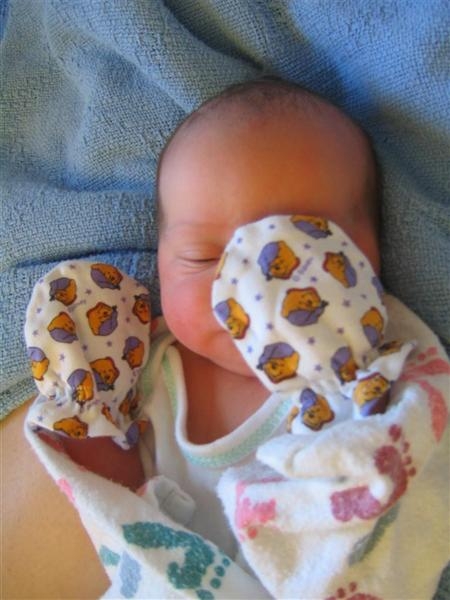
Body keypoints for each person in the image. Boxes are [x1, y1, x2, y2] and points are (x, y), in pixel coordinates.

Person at [22, 79, 449, 599]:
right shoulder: (144, 372)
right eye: (202, 258)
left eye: (289, 255)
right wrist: (88, 428)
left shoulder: (368, 385)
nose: (242, 292)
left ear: (369, 260)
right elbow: (119, 502)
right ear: (161, 264)